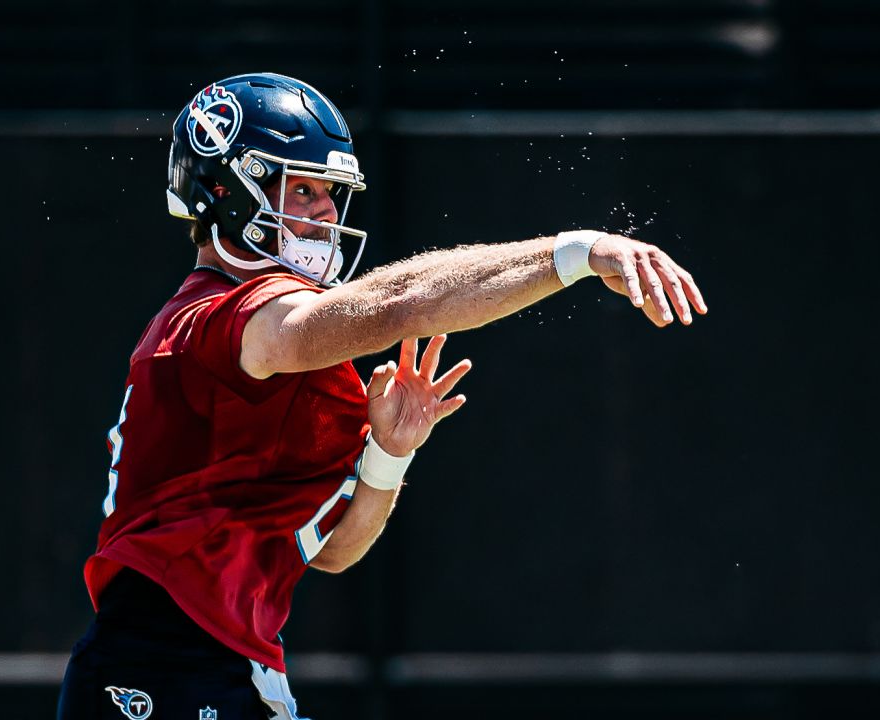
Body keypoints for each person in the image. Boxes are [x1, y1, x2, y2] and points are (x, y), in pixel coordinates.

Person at [57, 72, 706, 720]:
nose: (324, 214)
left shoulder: (277, 354)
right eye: (303, 189)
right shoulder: (226, 318)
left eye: (331, 194)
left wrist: (388, 457)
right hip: (161, 667)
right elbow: (399, 303)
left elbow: (334, 550)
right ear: (224, 190)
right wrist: (577, 252)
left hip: (223, 665)